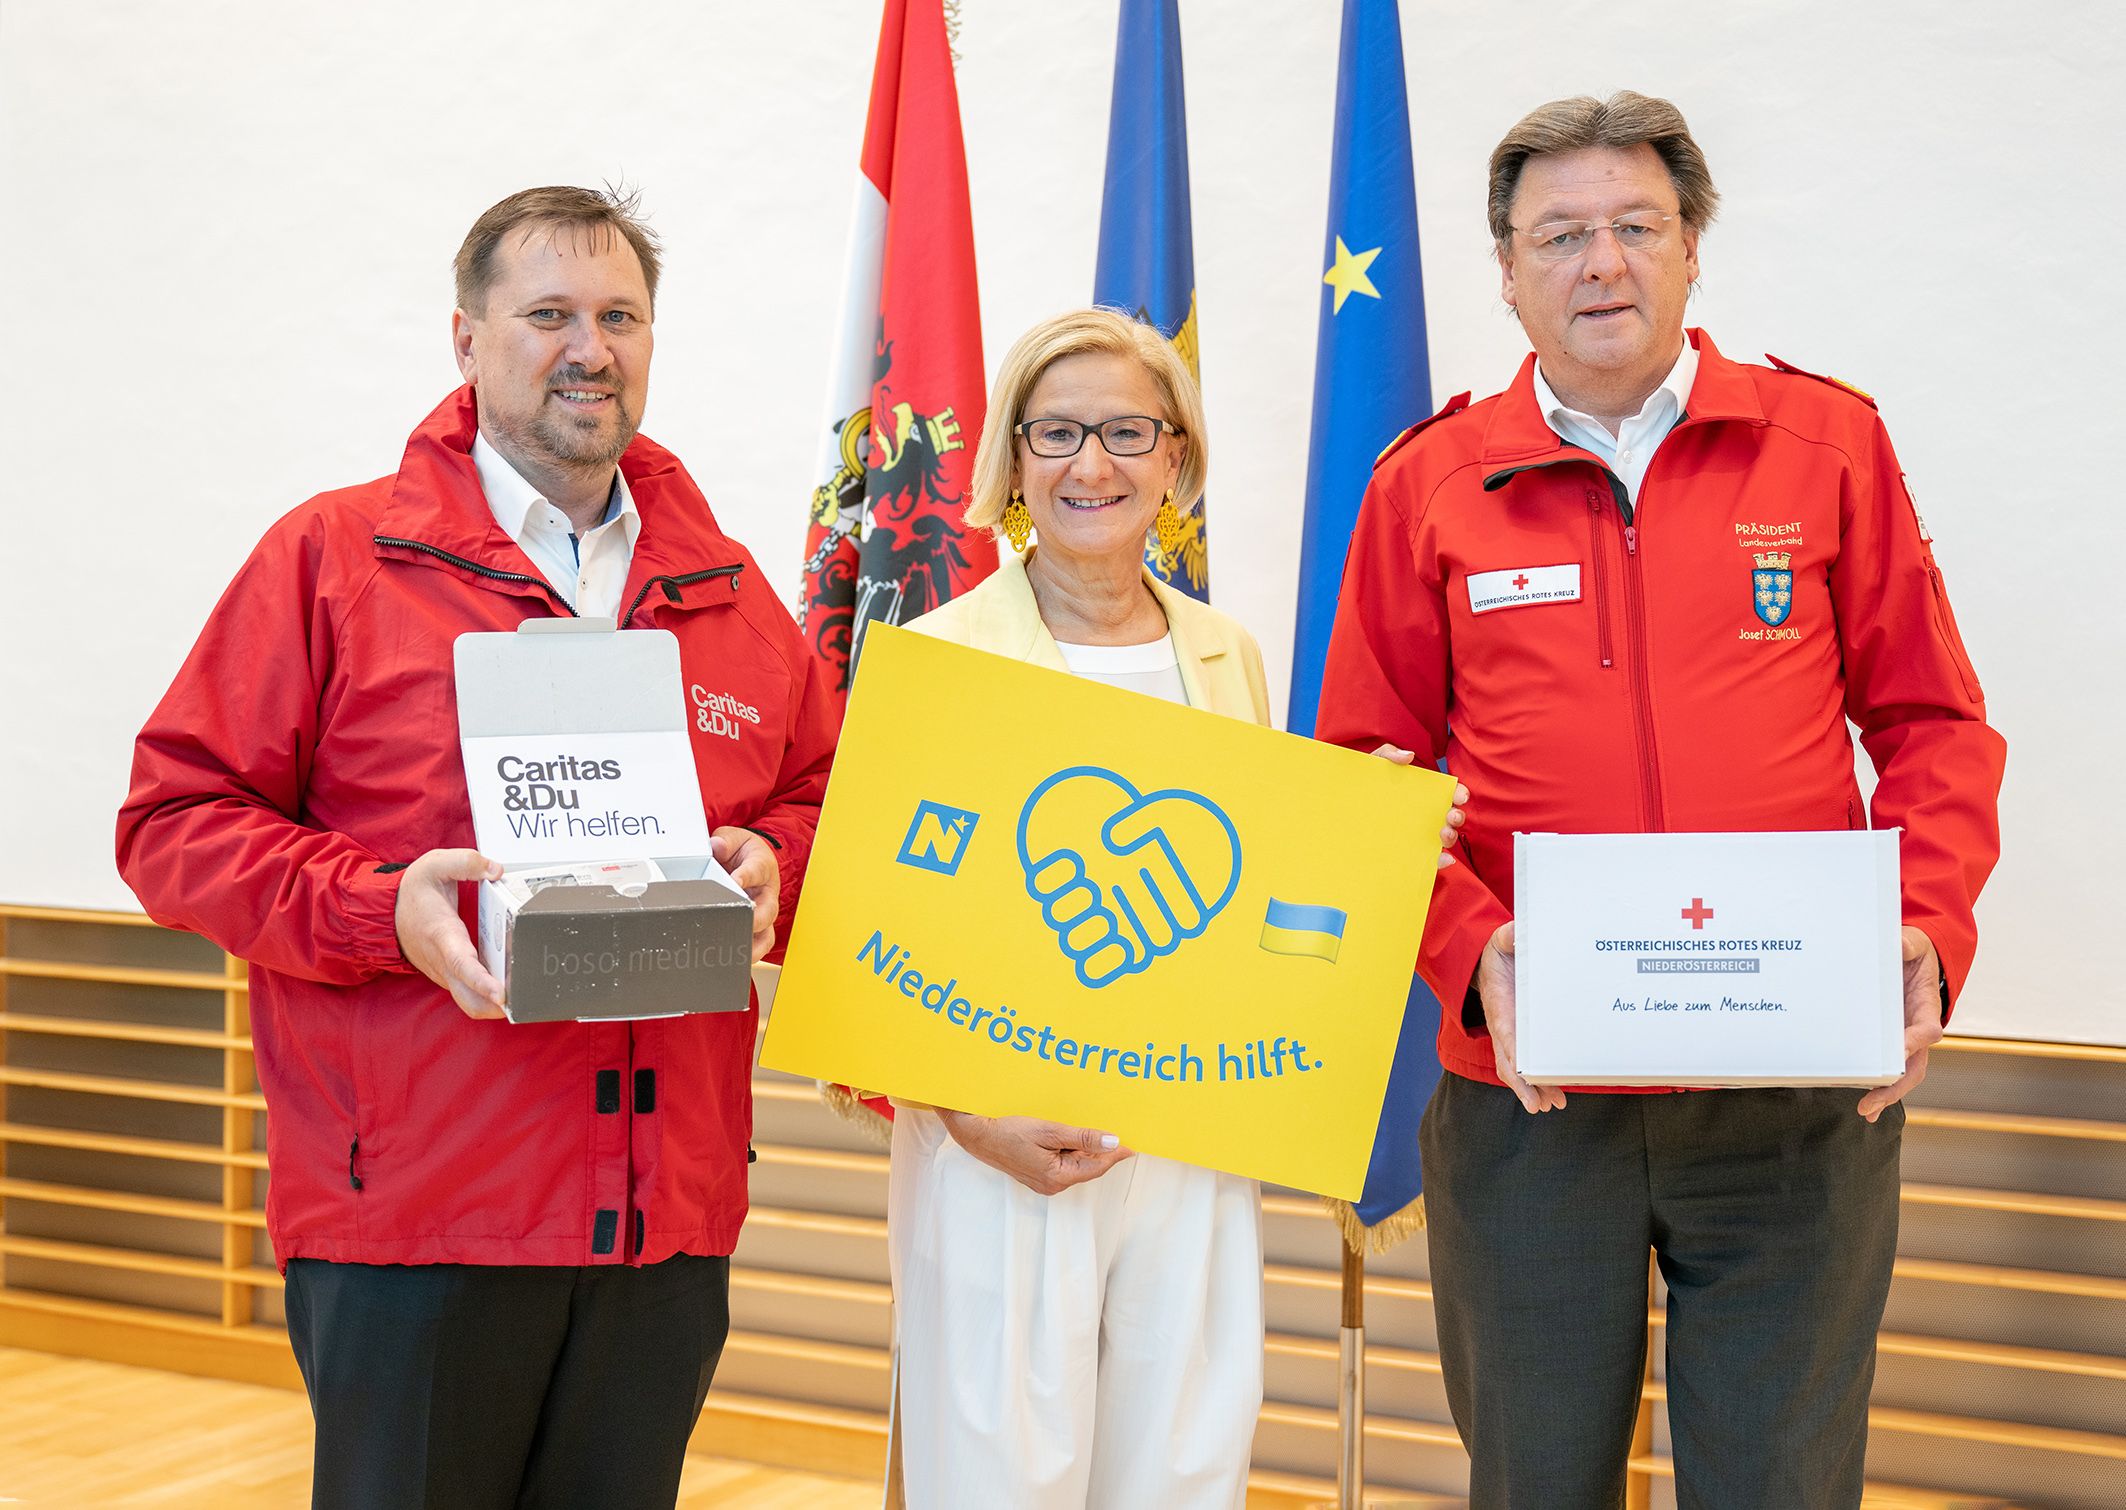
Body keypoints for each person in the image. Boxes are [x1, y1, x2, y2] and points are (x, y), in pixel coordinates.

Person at [1316, 92, 2006, 1508]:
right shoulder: (1424, 486)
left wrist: (1925, 928)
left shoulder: (1824, 448)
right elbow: (1358, 782)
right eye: (1558, 234)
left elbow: (1933, 723)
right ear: (1504, 271)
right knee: (1535, 1480)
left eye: (1636, 225)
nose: (1601, 263)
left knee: (1779, 1481)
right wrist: (1468, 955)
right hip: (1527, 1087)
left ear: (1693, 247)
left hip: (1795, 1082)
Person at [116, 186, 837, 1510]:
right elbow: (173, 823)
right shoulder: (330, 559)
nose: (590, 347)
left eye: (619, 315)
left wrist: (773, 856)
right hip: (419, 1211)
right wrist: (382, 907)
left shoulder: (727, 591)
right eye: (548, 313)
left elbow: (819, 791)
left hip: (661, 1215)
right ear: (465, 338)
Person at [885, 307, 1463, 1509]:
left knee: (1182, 1463)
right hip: (999, 1132)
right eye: (1054, 433)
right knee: (1000, 1469)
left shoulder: (1225, 654)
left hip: (1190, 1133)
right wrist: (971, 1119)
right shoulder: (937, 653)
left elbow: (1253, 892)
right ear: (1009, 460)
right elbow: (883, 929)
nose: (1089, 465)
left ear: (1175, 461)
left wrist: (1370, 839)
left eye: (1125, 432)